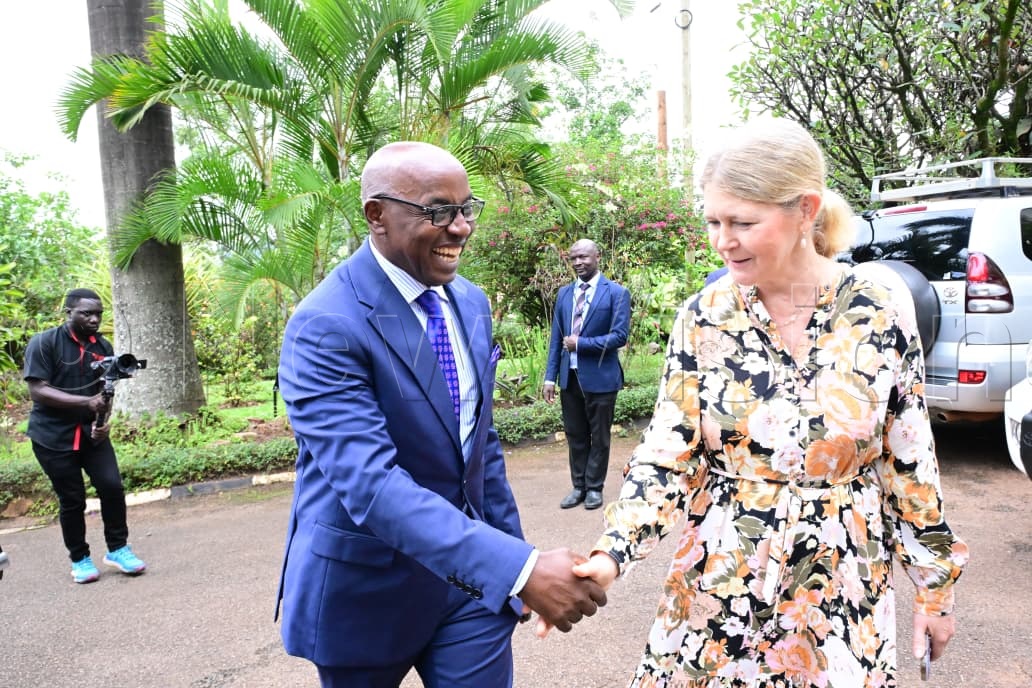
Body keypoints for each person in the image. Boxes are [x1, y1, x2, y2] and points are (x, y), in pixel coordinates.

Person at [559, 118, 969, 686]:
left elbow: (909, 461)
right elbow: (665, 455)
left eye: (743, 222)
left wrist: (935, 591)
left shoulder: (879, 311)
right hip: (721, 574)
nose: (723, 240)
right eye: (713, 221)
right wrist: (611, 555)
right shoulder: (704, 317)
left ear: (805, 210)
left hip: (839, 584)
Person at [275, 141, 606, 687]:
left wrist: (509, 564)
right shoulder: (325, 327)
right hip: (367, 590)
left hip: (470, 591)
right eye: (438, 211)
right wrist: (521, 570)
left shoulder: (469, 301)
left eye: (466, 209)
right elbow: (372, 485)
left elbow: (481, 444)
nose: (460, 228)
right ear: (376, 215)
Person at [23, 288, 147, 584]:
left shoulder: (102, 346)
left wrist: (103, 421)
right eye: (86, 313)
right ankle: (79, 558)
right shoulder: (44, 343)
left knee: (112, 488)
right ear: (68, 313)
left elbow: (107, 390)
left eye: (98, 314)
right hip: (52, 436)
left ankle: (117, 549)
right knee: (72, 499)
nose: (94, 319)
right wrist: (85, 403)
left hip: (92, 434)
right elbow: (37, 389)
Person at [544, 239, 631, 511]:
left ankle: (594, 488)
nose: (578, 263)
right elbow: (556, 338)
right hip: (569, 378)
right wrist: (549, 377)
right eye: (573, 259)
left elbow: (619, 336)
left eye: (583, 257)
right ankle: (578, 486)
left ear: (597, 256)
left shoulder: (616, 293)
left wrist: (580, 343)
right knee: (575, 435)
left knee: (599, 436)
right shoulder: (564, 294)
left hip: (601, 378)